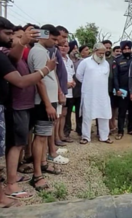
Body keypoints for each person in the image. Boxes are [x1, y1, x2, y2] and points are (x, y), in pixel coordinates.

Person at [0, 17, 56, 206]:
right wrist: (45, 70)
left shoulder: (19, 53)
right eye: (12, 35)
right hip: (16, 105)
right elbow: (21, 81)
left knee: (19, 143)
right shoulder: (7, 53)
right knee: (15, 145)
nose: (12, 39)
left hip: (23, 105)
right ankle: (10, 184)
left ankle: (12, 178)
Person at [28, 24, 68, 191]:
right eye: (53, 39)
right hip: (43, 102)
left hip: (49, 101)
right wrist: (47, 104)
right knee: (41, 137)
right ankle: (37, 175)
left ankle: (43, 165)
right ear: (44, 35)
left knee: (44, 136)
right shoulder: (38, 52)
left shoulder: (44, 51)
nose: (56, 42)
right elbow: (39, 79)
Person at [76, 43, 113, 145]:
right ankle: (86, 137)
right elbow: (79, 74)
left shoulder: (106, 63)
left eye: (103, 53)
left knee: (104, 115)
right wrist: (88, 83)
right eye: (100, 53)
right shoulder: (85, 62)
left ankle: (104, 136)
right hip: (89, 93)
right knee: (87, 115)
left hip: (102, 94)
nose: (101, 55)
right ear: (94, 51)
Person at [113, 40, 132, 140]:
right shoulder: (117, 60)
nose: (127, 50)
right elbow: (115, 77)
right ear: (122, 49)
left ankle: (130, 129)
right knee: (122, 112)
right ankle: (120, 131)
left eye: (128, 48)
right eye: (125, 49)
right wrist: (117, 89)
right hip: (122, 90)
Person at [59, 41, 75, 143]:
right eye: (62, 46)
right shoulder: (56, 58)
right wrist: (65, 85)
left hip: (69, 92)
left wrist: (73, 82)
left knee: (65, 114)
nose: (64, 48)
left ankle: (62, 134)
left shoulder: (69, 60)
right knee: (58, 115)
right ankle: (57, 137)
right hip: (60, 91)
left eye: (66, 46)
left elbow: (71, 74)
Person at [102, 40, 118, 132]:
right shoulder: (98, 59)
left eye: (109, 48)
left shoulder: (114, 59)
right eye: (106, 47)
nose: (107, 49)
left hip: (112, 87)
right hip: (102, 88)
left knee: (113, 106)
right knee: (104, 106)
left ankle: (112, 123)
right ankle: (105, 126)